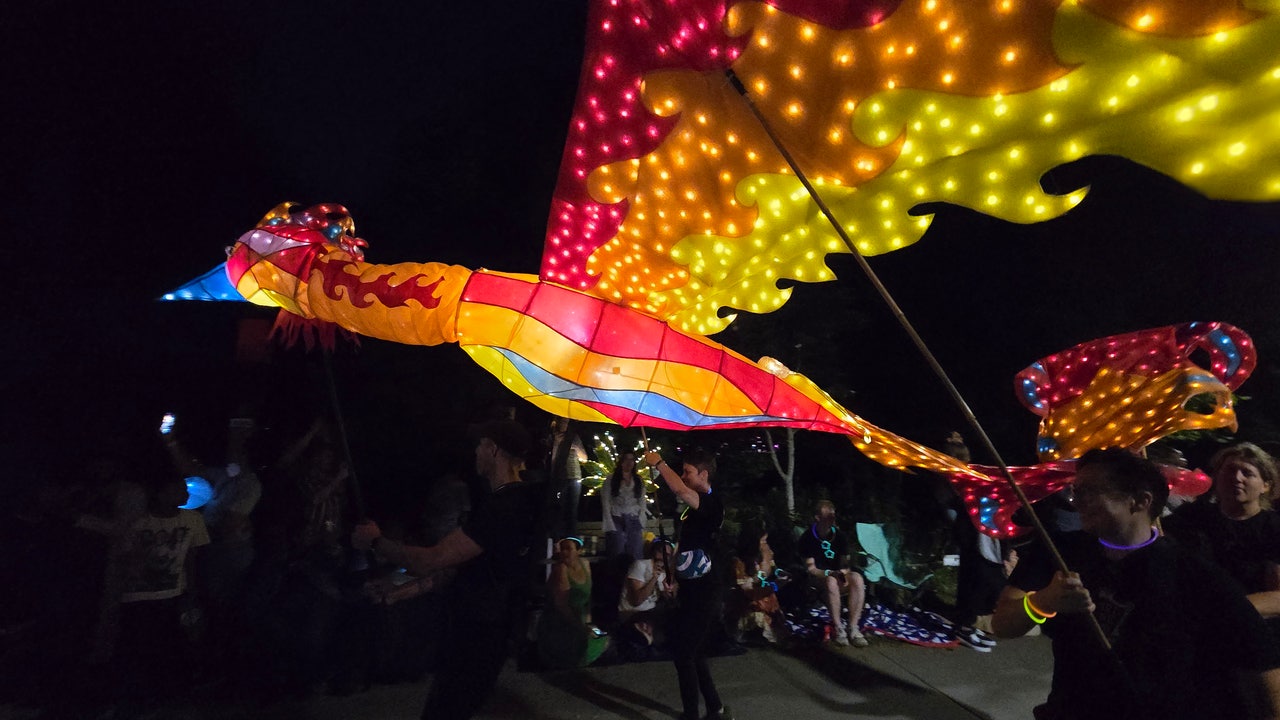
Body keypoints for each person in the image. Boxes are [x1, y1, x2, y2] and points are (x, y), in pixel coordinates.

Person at [992, 448, 1280, 720]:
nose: (1077, 500)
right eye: (1077, 490)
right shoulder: (1060, 552)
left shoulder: (1195, 575)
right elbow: (1002, 624)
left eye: (1091, 491)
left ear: (1141, 501)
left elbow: (1261, 673)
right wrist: (1043, 602)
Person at [352, 420, 541, 720]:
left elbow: (433, 559)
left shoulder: (505, 507)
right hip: (480, 632)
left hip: (480, 635)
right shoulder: (504, 502)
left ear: (493, 449)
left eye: (480, 444)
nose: (475, 452)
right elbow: (456, 568)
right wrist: (400, 592)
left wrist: (376, 541)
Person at [1163, 442, 1280, 647]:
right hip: (1190, 635)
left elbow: (1277, 597)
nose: (1237, 478)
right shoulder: (1191, 517)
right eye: (1230, 470)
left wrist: (1220, 610)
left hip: (1251, 635)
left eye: (1248, 473)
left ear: (1265, 485)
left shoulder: (1274, 528)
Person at [644, 448, 731, 720]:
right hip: (691, 587)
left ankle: (692, 714)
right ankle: (715, 708)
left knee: (684, 654)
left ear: (704, 474)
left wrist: (659, 463)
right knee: (694, 651)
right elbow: (685, 546)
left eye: (688, 472)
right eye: (682, 472)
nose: (683, 477)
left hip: (706, 589)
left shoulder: (711, 503)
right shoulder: (693, 510)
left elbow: (681, 491)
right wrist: (673, 578)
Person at [942, 432, 1004, 652]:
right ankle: (964, 627)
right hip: (970, 534)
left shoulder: (970, 477)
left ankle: (969, 623)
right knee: (973, 578)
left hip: (982, 534)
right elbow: (953, 505)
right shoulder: (953, 480)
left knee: (983, 578)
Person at [797, 499, 868, 647]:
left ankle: (853, 627)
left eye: (833, 516)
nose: (832, 519)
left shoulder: (840, 537)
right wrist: (830, 573)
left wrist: (842, 571)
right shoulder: (807, 538)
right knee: (831, 581)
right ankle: (838, 628)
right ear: (818, 518)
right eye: (828, 516)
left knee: (857, 578)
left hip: (837, 576)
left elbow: (845, 564)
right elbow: (811, 569)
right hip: (819, 578)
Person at [537, 536, 609, 668]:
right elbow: (561, 605)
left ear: (578, 551)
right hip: (559, 620)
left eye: (568, 548)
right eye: (562, 549)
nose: (564, 552)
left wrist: (588, 621)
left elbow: (588, 595)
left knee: (602, 639)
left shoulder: (585, 564)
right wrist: (580, 627)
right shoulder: (561, 569)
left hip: (579, 616)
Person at [730, 522, 788, 644]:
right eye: (763, 542)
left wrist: (781, 575)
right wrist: (774, 586)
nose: (766, 545)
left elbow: (773, 570)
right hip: (746, 603)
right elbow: (747, 592)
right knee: (756, 614)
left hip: (765, 596)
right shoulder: (738, 562)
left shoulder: (766, 555)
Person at [617, 537, 678, 653]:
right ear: (654, 552)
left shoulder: (664, 573)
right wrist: (654, 578)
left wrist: (670, 590)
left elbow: (669, 599)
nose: (664, 557)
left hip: (650, 613)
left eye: (668, 555)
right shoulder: (640, 566)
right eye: (661, 552)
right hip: (631, 613)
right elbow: (636, 601)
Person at [545, 417, 588, 541]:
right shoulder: (552, 437)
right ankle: (556, 538)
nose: (564, 424)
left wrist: (575, 446)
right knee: (559, 507)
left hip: (574, 477)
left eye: (567, 422)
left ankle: (571, 539)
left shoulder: (574, 437)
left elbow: (584, 458)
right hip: (559, 476)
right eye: (563, 421)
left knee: (572, 509)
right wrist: (557, 443)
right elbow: (550, 458)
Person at [601, 451, 647, 560]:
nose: (629, 463)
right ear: (621, 462)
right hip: (617, 517)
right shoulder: (611, 479)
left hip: (633, 517)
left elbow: (642, 500)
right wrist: (609, 522)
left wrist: (641, 517)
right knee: (617, 548)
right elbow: (606, 501)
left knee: (635, 550)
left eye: (632, 460)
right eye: (627, 459)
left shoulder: (638, 480)